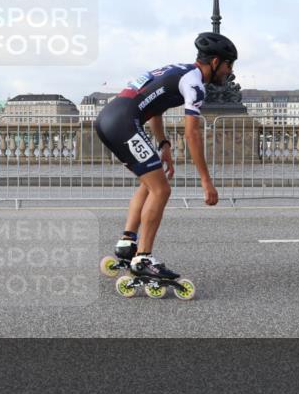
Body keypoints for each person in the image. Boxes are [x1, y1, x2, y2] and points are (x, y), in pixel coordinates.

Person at [94, 32, 236, 285]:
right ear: (215, 62)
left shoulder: (177, 71)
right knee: (161, 190)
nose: (230, 72)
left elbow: (155, 110)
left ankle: (128, 245)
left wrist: (164, 145)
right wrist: (206, 181)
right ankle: (143, 259)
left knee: (150, 184)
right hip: (124, 122)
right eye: (228, 65)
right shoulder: (194, 84)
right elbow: (192, 133)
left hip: (110, 118)